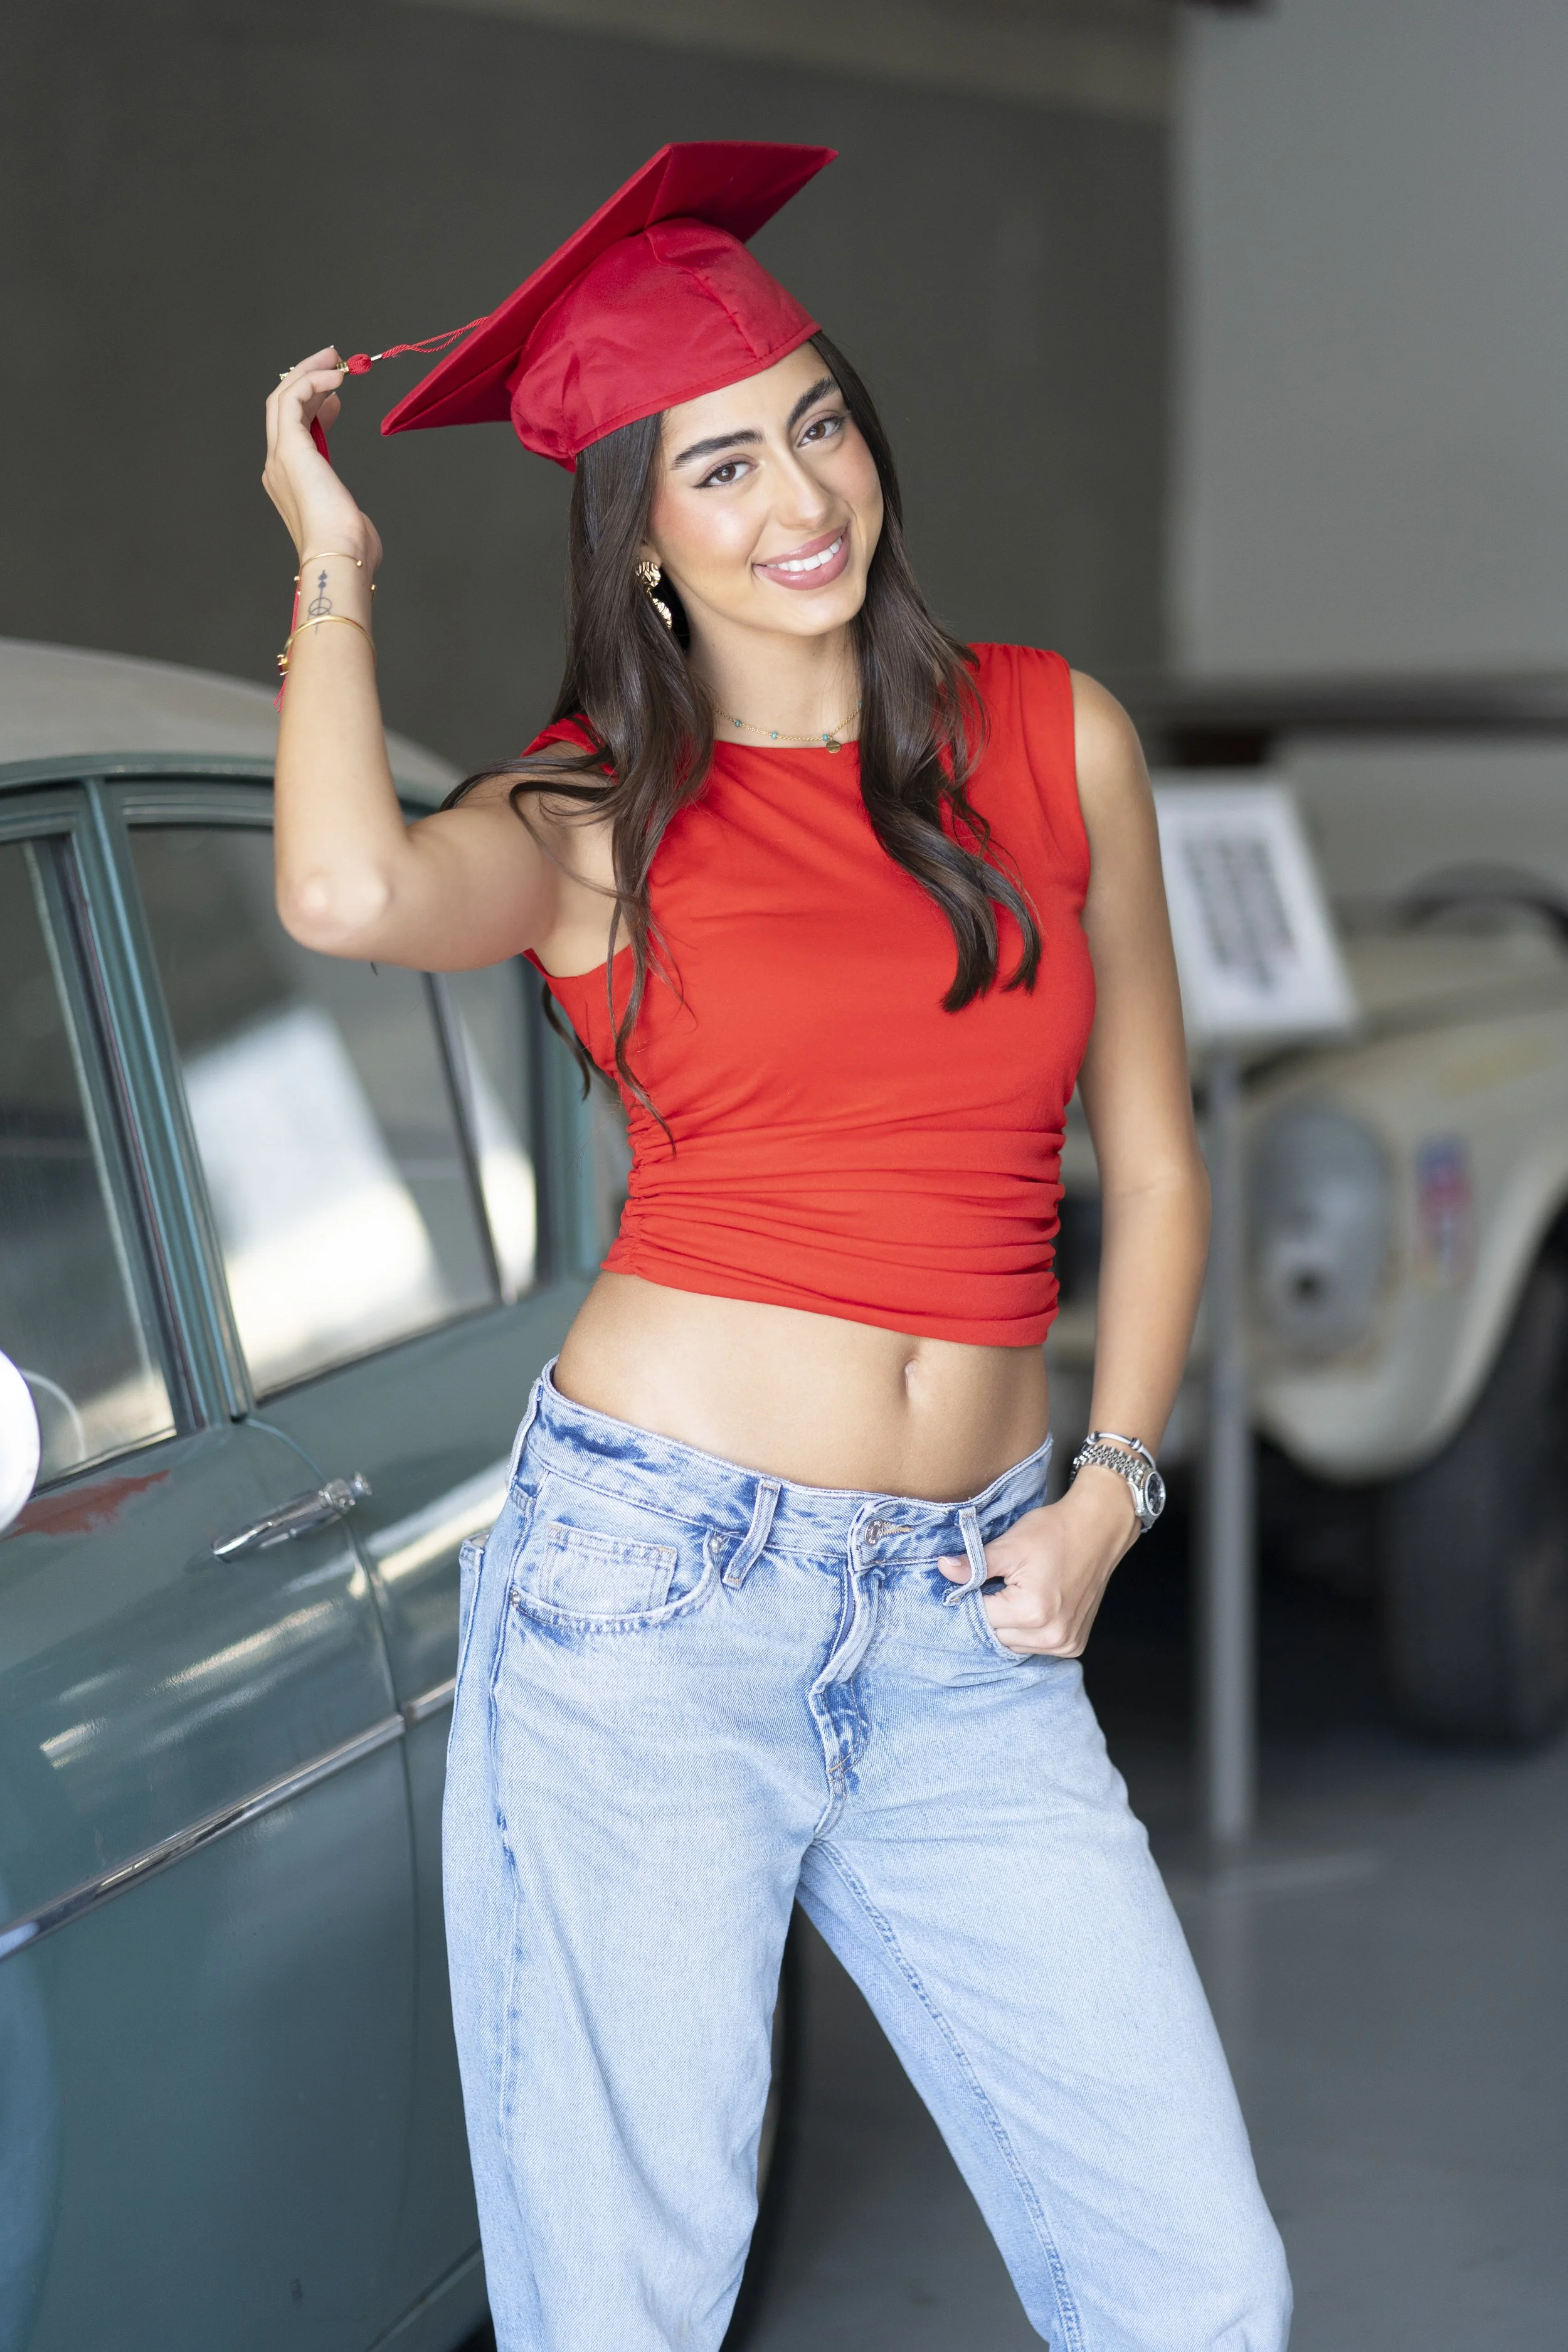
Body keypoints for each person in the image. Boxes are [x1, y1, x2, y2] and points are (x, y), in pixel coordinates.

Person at [263, 140, 1290, 2352]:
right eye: (718, 464)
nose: (795, 492)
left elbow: (1161, 1164)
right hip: (655, 1604)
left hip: (972, 1624)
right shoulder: (577, 822)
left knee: (1194, 2282)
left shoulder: (1051, 732)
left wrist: (1110, 1492)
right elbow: (342, 897)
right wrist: (333, 569)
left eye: (817, 422)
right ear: (641, 539)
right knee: (628, 2305)